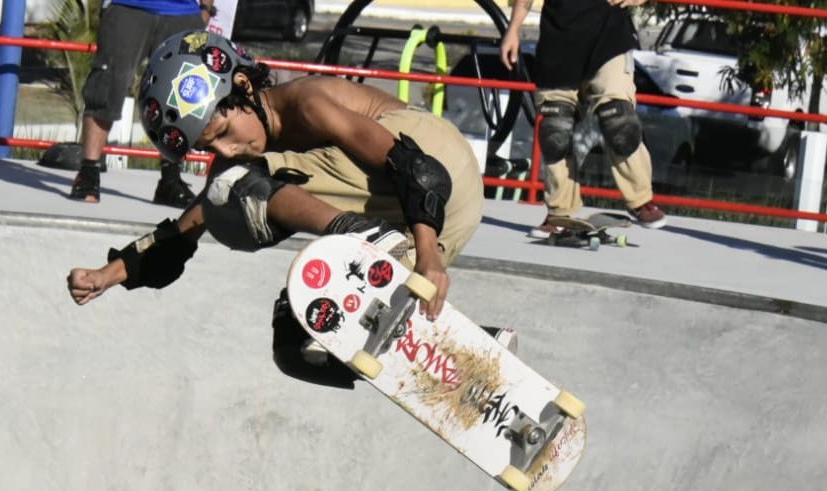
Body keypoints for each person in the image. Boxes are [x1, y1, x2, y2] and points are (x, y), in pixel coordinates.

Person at [66, 30, 498, 385]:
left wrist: (427, 254)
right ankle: (458, 351)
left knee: (232, 191)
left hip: (431, 161)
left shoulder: (304, 104)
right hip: (442, 216)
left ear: (243, 87)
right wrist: (111, 275)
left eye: (224, 131)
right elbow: (183, 233)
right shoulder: (240, 160)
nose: (227, 148)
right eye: (210, 147)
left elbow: (416, 169)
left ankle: (364, 237)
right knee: (296, 336)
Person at [500, 0, 667, 238]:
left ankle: (640, 200)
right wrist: (513, 29)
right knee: (555, 130)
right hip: (558, 40)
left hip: (609, 38)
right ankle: (560, 212)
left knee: (618, 120)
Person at [69, 0, 217, 207]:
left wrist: (206, 8)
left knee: (181, 97)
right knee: (107, 85)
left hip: (183, 12)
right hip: (127, 7)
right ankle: (89, 172)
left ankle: (171, 179)